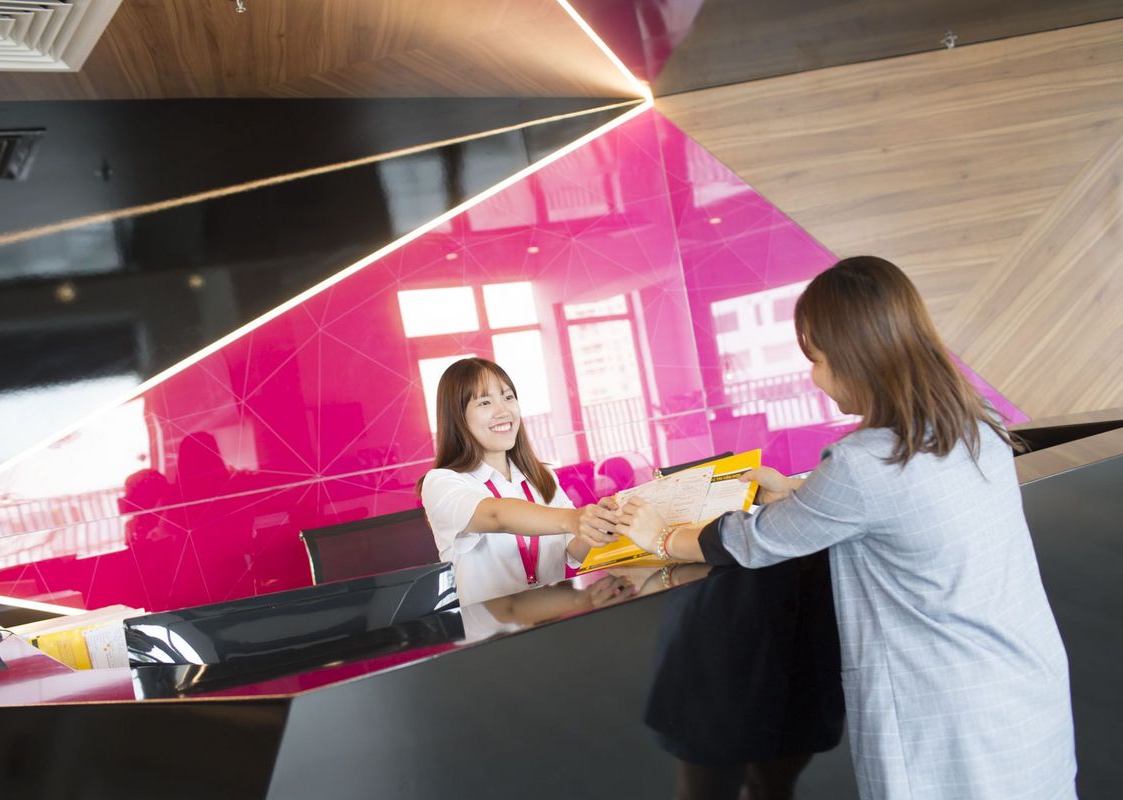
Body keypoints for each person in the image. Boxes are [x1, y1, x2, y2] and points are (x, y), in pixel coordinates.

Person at [615, 256, 1077, 800]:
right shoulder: (977, 425)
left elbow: (753, 542)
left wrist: (661, 535)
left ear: (856, 357)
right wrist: (799, 496)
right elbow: (898, 507)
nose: (814, 376)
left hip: (950, 717)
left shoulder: (864, 463)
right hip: (1025, 688)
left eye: (817, 358)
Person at [418, 357, 620, 606]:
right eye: (484, 402)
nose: (503, 411)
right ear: (457, 416)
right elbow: (497, 516)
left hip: (558, 618)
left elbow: (573, 550)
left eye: (508, 397)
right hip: (492, 629)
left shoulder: (542, 476)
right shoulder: (441, 483)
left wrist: (599, 525)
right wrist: (572, 519)